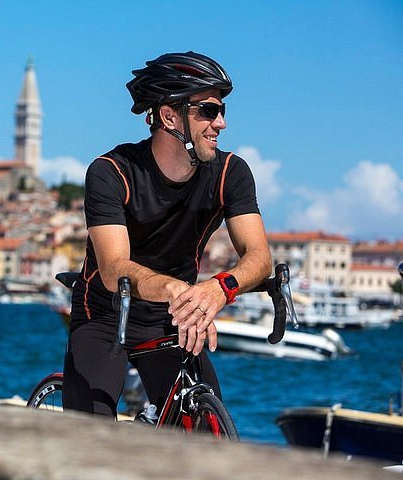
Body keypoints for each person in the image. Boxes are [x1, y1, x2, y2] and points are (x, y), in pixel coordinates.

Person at [63, 51, 272, 416]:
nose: (220, 123)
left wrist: (219, 289)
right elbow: (113, 268)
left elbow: (259, 257)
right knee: (91, 434)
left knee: (208, 433)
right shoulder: (111, 172)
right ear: (169, 115)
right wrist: (176, 289)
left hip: (174, 317)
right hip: (106, 314)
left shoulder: (231, 173)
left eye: (222, 111)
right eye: (208, 110)